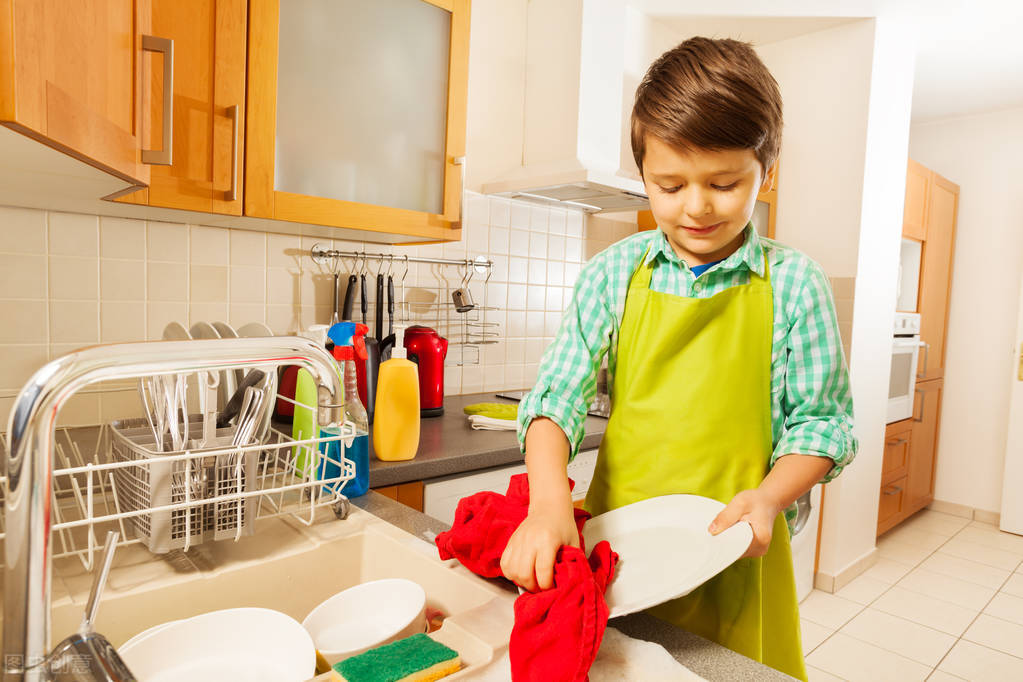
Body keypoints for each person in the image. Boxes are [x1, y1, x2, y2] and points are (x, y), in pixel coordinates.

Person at [501, 36, 857, 681]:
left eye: (724, 183)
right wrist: (548, 499)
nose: (696, 206)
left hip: (737, 548)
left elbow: (823, 426)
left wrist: (771, 498)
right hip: (621, 551)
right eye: (668, 185)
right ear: (643, 176)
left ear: (765, 173)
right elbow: (557, 396)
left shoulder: (795, 283)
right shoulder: (612, 274)